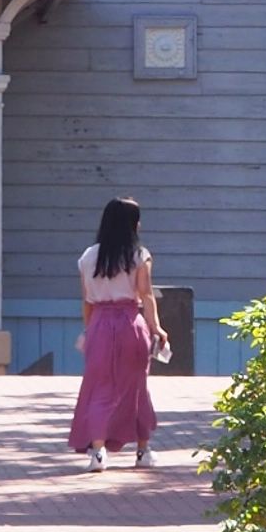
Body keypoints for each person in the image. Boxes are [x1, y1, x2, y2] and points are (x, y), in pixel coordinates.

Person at [67, 196, 169, 472]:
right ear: (133, 224)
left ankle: (98, 452)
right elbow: (146, 295)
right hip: (130, 323)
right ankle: (143, 450)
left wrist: (89, 331)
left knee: (100, 387)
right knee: (136, 386)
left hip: (100, 322)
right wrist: (156, 327)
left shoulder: (89, 257)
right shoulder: (139, 255)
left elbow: (87, 300)